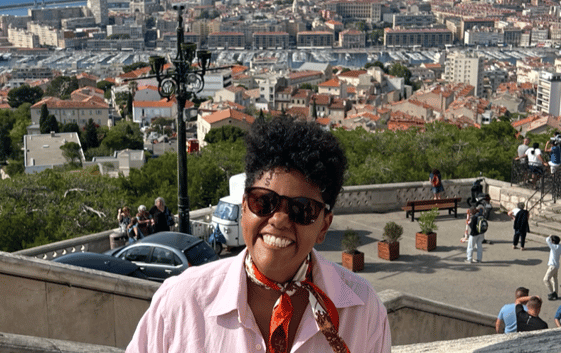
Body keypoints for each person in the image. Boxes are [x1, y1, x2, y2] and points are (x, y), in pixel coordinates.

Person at [126, 115, 391, 353]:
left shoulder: (362, 310)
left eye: (302, 209)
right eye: (263, 202)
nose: (279, 219)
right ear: (244, 208)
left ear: (323, 225)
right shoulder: (182, 302)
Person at [544, 235, 561, 301]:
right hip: (556, 265)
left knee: (546, 279)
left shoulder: (554, 247)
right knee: (554, 279)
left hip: (552, 266)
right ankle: (556, 293)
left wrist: (549, 236)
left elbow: (547, 240)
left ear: (553, 242)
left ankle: (552, 293)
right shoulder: (560, 246)